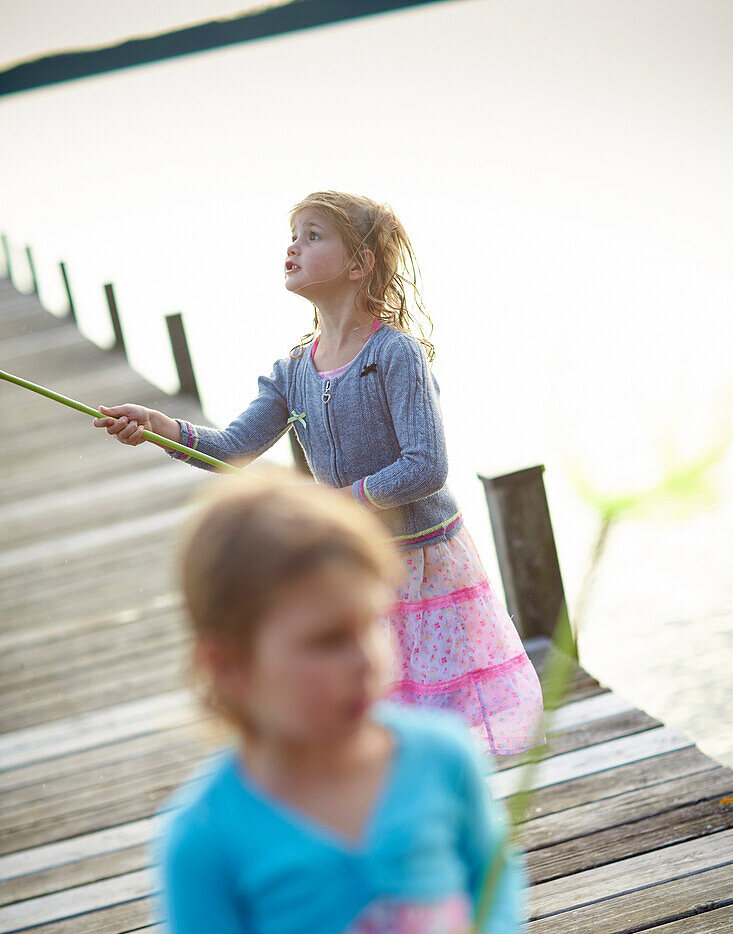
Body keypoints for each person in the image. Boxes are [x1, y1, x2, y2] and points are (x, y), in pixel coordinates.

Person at [96, 191, 543, 756]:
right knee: (376, 708)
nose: (293, 246)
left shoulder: (395, 354)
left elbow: (426, 466)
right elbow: (232, 448)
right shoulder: (291, 371)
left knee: (443, 715)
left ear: (358, 265)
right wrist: (161, 427)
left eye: (313, 236)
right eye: (293, 234)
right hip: (355, 566)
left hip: (424, 563)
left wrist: (342, 501)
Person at [158, 470, 526, 934]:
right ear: (228, 665)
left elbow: (493, 876)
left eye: (373, 622)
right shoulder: (203, 842)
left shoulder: (442, 757)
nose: (366, 659)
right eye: (328, 640)